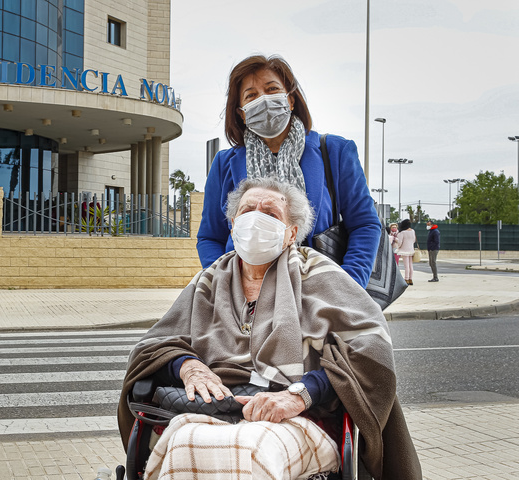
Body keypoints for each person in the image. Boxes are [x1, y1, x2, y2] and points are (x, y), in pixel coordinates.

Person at [119, 178, 421, 480]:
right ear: (234, 223)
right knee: (184, 444)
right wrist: (188, 366)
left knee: (250, 448)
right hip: (211, 411)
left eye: (270, 213)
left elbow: (370, 345)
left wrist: (298, 395)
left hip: (300, 417)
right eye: (248, 210)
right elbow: (155, 345)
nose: (256, 219)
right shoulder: (208, 281)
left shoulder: (318, 273)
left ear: (291, 233)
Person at [196, 54, 381, 288]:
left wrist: (348, 287)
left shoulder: (335, 151)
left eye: (272, 89)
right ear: (241, 112)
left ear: (290, 100)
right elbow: (210, 237)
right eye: (251, 95)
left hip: (319, 291)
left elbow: (365, 224)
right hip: (248, 294)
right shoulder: (224, 163)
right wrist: (225, 285)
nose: (263, 99)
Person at [393, 219, 416, 285]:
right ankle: (410, 279)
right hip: (411, 250)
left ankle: (406, 279)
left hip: (404, 250)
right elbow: (414, 240)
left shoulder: (402, 233)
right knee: (410, 265)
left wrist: (397, 243)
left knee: (406, 266)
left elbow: (400, 243)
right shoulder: (413, 231)